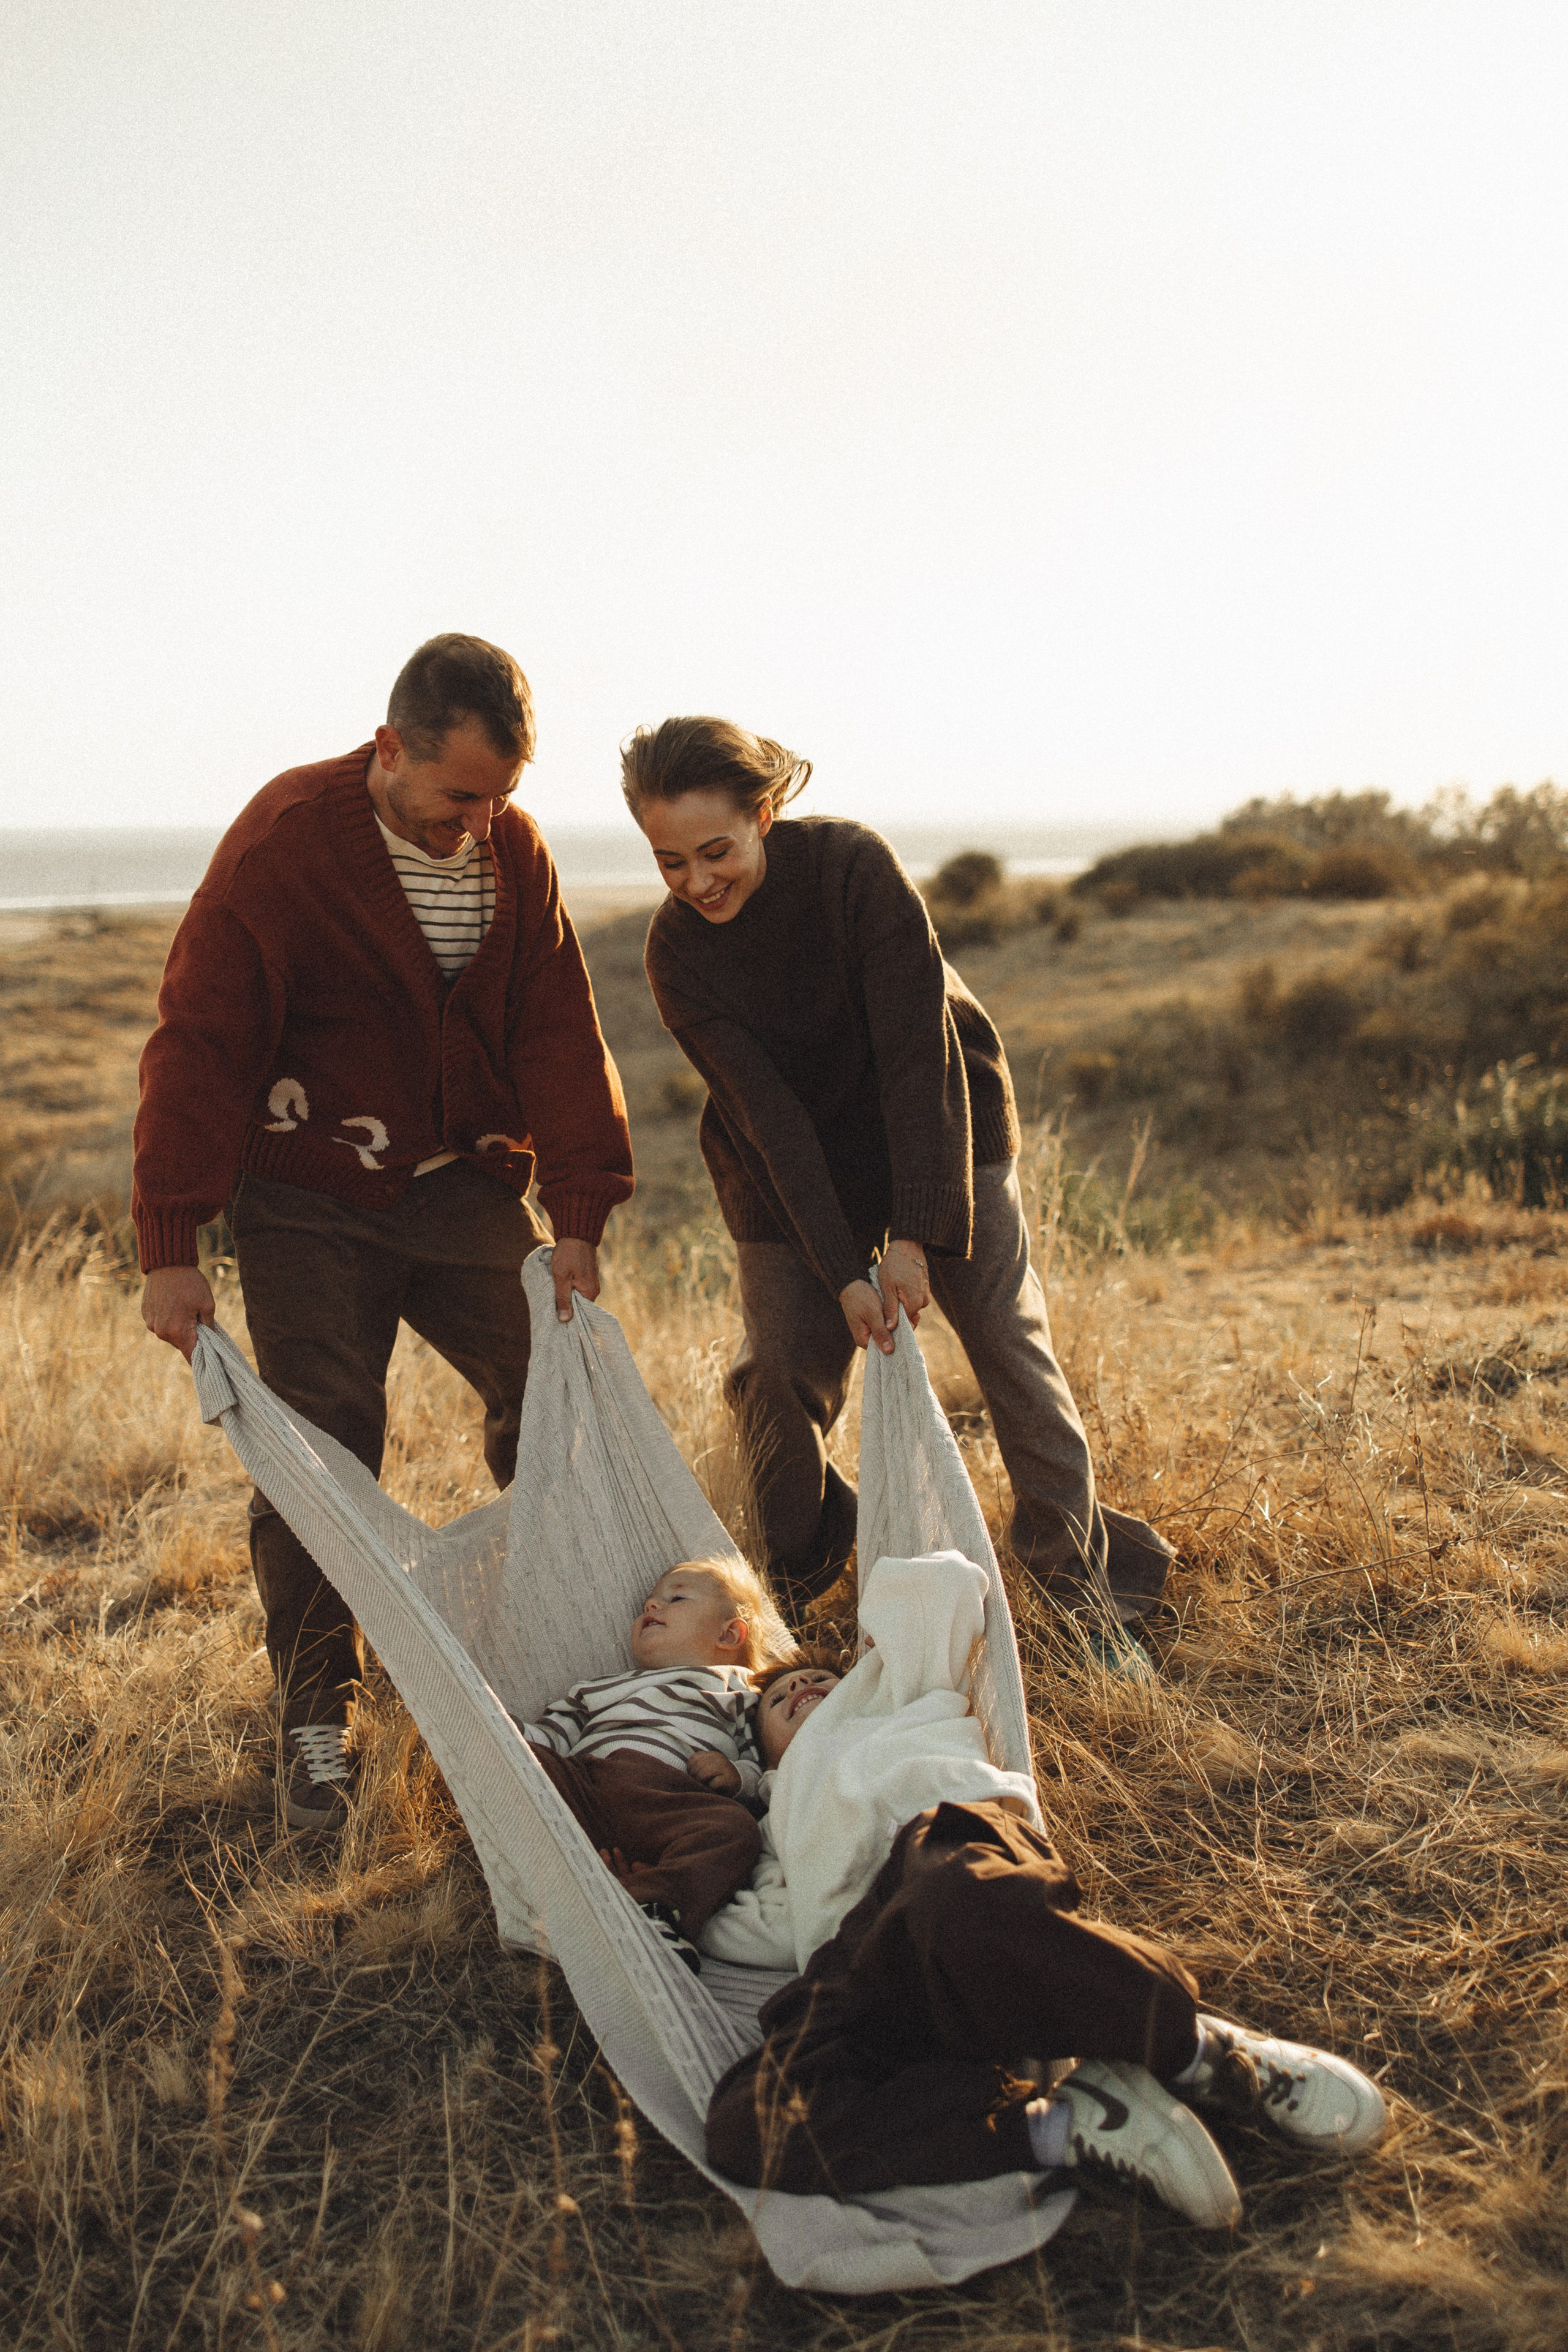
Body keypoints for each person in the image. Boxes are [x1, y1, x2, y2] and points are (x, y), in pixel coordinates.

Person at [135, 635, 634, 1832]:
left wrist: (574, 1213)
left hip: (459, 1181)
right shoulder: (285, 840)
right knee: (325, 1446)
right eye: (461, 795)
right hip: (305, 1194)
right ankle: (318, 1709)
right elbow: (200, 1038)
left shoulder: (510, 849)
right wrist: (171, 1241)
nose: (482, 820)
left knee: (555, 1386)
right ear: (390, 748)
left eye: (502, 796)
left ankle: (556, 1652)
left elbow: (559, 1023)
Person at [625, 716, 1170, 1668]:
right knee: (774, 1378)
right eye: (671, 863)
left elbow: (920, 1057)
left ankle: (1082, 1591)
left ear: (764, 813)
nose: (698, 881)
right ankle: (802, 1571)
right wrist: (843, 1271)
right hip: (787, 1167)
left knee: (1007, 1345)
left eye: (717, 851)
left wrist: (916, 1234)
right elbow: (771, 1122)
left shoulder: (850, 869)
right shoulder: (677, 955)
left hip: (940, 1123)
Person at [703, 1553, 1386, 2226]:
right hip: (860, 1953)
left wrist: (882, 1642)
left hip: (942, 1842)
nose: (797, 1692)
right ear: (761, 1753)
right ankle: (1061, 2126)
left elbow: (944, 1582)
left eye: (814, 1678)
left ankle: (1199, 2053)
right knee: (747, 2125)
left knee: (960, 1906)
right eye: (776, 1701)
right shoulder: (774, 1812)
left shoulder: (888, 1692)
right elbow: (754, 1924)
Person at [517, 1557, 796, 1971]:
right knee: (531, 1763)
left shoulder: (739, 1694)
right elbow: (551, 1737)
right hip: (589, 1789)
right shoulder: (597, 1687)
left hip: (672, 1805)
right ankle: (606, 1881)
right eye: (648, 1603)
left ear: (730, 1633)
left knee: (734, 1832)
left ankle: (656, 1908)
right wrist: (498, 1731)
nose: (651, 1607)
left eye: (675, 1598)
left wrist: (736, 1775)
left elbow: (764, 1761)